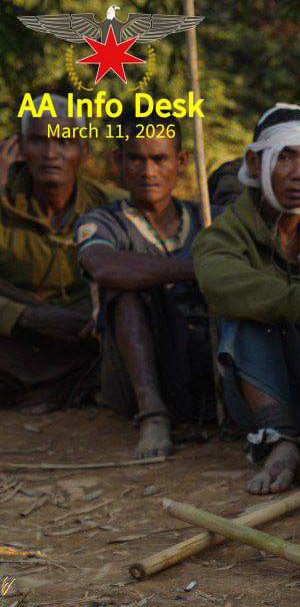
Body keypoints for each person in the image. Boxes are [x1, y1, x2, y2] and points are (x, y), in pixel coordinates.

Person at [194, 103, 300, 495]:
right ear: (256, 165)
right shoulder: (226, 233)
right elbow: (217, 282)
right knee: (243, 314)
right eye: (285, 157)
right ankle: (280, 442)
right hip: (265, 387)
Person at [76, 117, 213, 459]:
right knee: (125, 287)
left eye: (160, 159)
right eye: (136, 159)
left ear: (181, 161)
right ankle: (153, 416)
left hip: (199, 362)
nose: (148, 170)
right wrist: (197, 269)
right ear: (118, 161)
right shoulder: (103, 221)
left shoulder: (209, 219)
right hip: (131, 375)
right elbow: (104, 266)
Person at [0, 96, 123, 411]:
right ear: (19, 148)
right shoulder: (4, 199)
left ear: (83, 152)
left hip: (81, 333)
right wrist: (29, 316)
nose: (50, 154)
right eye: (38, 141)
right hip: (16, 335)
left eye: (63, 141)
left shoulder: (110, 206)